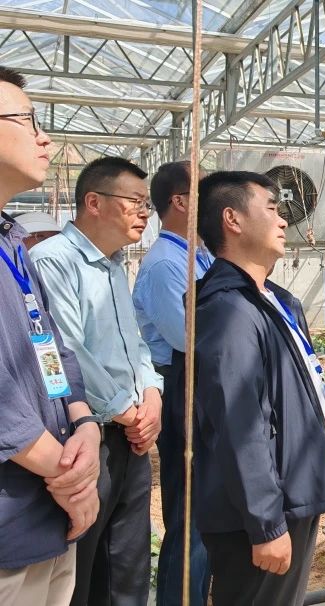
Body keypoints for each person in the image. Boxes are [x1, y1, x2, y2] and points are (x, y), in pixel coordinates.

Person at [192, 171, 325, 605]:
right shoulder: (227, 310)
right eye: (271, 208)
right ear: (232, 219)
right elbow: (239, 425)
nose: (283, 220)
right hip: (262, 510)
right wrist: (265, 524)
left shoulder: (275, 301)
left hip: (289, 492)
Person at [30, 156, 164, 605]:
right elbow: (64, 350)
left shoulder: (113, 264)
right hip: (86, 435)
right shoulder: (53, 261)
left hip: (130, 434)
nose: (144, 213)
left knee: (127, 565)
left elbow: (135, 343)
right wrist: (126, 410)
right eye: (135, 202)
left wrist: (152, 395)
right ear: (94, 202)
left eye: (146, 204)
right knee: (82, 568)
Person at [0, 64, 100, 606]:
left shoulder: (13, 243)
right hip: (15, 518)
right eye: (28, 120)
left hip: (49, 510)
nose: (45, 139)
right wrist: (74, 479)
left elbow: (54, 347)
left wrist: (83, 422)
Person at [131, 161, 212, 606]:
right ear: (180, 202)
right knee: (190, 511)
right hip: (181, 382)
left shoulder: (199, 255)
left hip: (198, 379)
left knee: (204, 505)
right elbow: (187, 337)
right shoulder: (166, 264)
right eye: (206, 191)